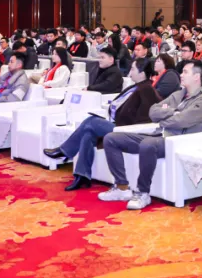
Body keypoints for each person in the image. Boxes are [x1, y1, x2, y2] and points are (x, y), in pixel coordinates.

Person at [98, 59, 202, 211]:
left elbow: (180, 121)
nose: (181, 75)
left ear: (197, 77)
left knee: (148, 144)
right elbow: (153, 111)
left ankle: (143, 193)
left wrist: (166, 117)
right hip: (158, 135)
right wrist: (174, 111)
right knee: (111, 138)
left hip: (176, 141)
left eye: (185, 72)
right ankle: (122, 187)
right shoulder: (179, 94)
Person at [44, 58, 162, 191]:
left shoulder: (146, 89)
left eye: (133, 69)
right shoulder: (136, 87)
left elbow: (146, 119)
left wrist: (123, 123)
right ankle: (82, 175)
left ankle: (65, 151)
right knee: (88, 134)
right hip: (117, 125)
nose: (130, 72)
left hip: (127, 131)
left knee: (91, 121)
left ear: (142, 73)